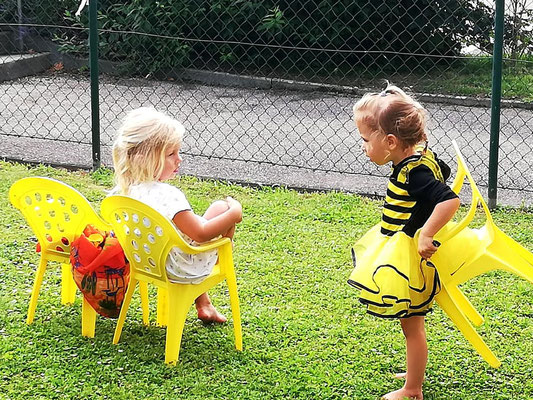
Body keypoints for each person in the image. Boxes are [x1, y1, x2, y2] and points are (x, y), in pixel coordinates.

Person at [347, 85, 460, 400]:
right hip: (404, 251)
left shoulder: (414, 174)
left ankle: (412, 390)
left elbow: (449, 200)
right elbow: (445, 172)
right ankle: (414, 373)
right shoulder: (420, 158)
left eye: (366, 141)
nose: (364, 148)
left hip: (410, 260)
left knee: (412, 327)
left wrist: (425, 232)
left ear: (391, 142)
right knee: (411, 325)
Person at [112, 107, 243, 323]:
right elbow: (201, 234)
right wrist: (235, 213)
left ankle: (204, 304)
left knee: (217, 208)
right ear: (145, 159)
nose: (179, 159)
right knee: (225, 210)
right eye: (171, 154)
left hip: (146, 261)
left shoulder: (130, 191)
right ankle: (221, 254)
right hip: (180, 268)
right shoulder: (169, 196)